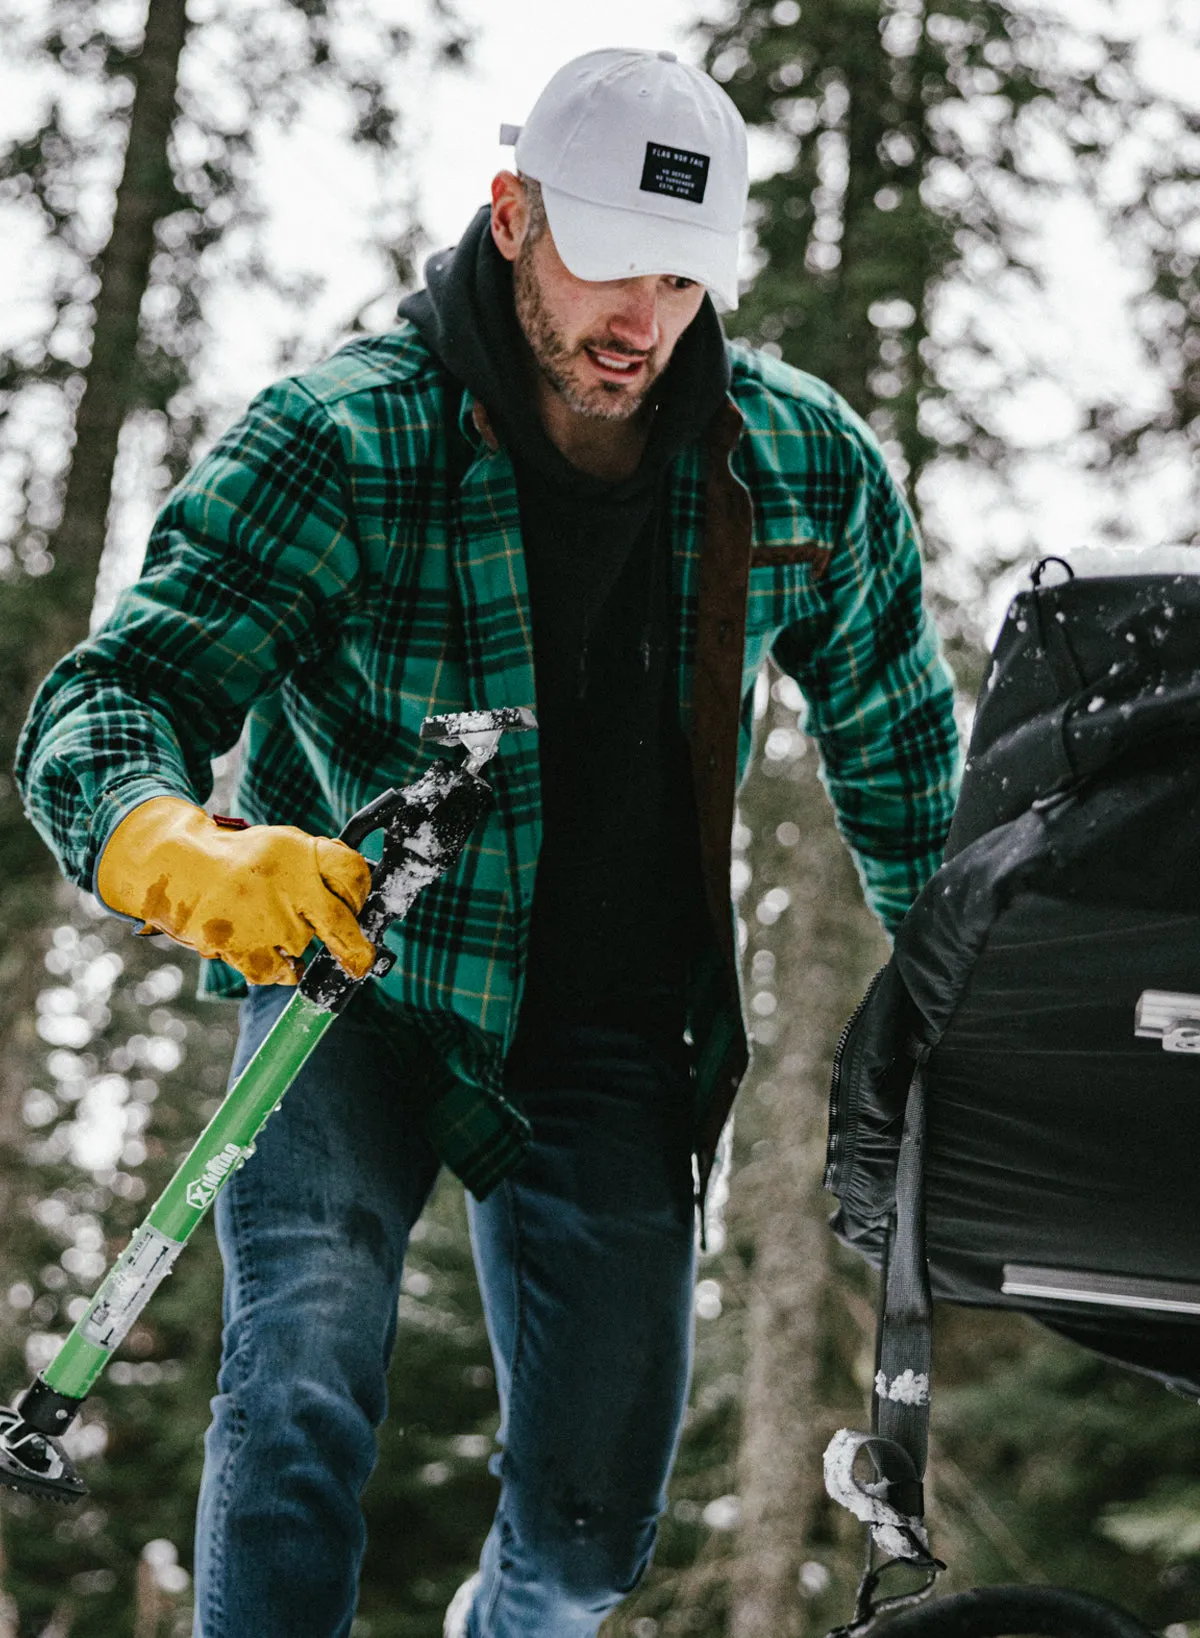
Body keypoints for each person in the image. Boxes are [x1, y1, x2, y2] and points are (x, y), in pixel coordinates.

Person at [15, 46, 959, 1638]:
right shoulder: (344, 441)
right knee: (300, 1375)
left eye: (680, 277)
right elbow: (108, 704)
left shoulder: (794, 465)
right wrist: (186, 852)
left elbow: (899, 749)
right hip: (354, 983)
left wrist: (970, 1001)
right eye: (607, 260)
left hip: (611, 1025)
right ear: (512, 214)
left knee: (593, 1527)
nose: (641, 321)